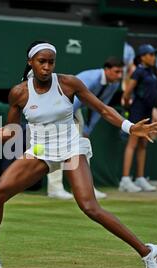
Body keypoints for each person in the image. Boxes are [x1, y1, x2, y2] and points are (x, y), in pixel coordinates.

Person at [0, 41, 157, 268]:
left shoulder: (68, 83)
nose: (47, 67)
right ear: (30, 62)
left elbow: (102, 109)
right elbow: (11, 131)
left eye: (51, 62)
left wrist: (130, 127)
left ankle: (149, 252)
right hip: (40, 150)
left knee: (89, 207)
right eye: (41, 61)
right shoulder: (19, 93)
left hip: (70, 148)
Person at [47, 57, 124, 200]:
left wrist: (88, 130)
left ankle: (86, 189)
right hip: (60, 106)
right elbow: (72, 101)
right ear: (107, 70)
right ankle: (55, 189)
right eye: (116, 72)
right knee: (57, 147)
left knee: (81, 148)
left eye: (121, 72)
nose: (119, 76)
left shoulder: (113, 85)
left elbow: (101, 108)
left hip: (74, 110)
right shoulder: (92, 79)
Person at [119, 44, 157, 193]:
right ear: (142, 57)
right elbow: (127, 92)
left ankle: (140, 178)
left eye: (154, 54)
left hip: (147, 111)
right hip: (137, 110)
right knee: (132, 143)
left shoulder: (151, 72)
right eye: (151, 54)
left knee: (143, 143)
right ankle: (125, 180)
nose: (153, 57)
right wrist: (129, 106)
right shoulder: (139, 72)